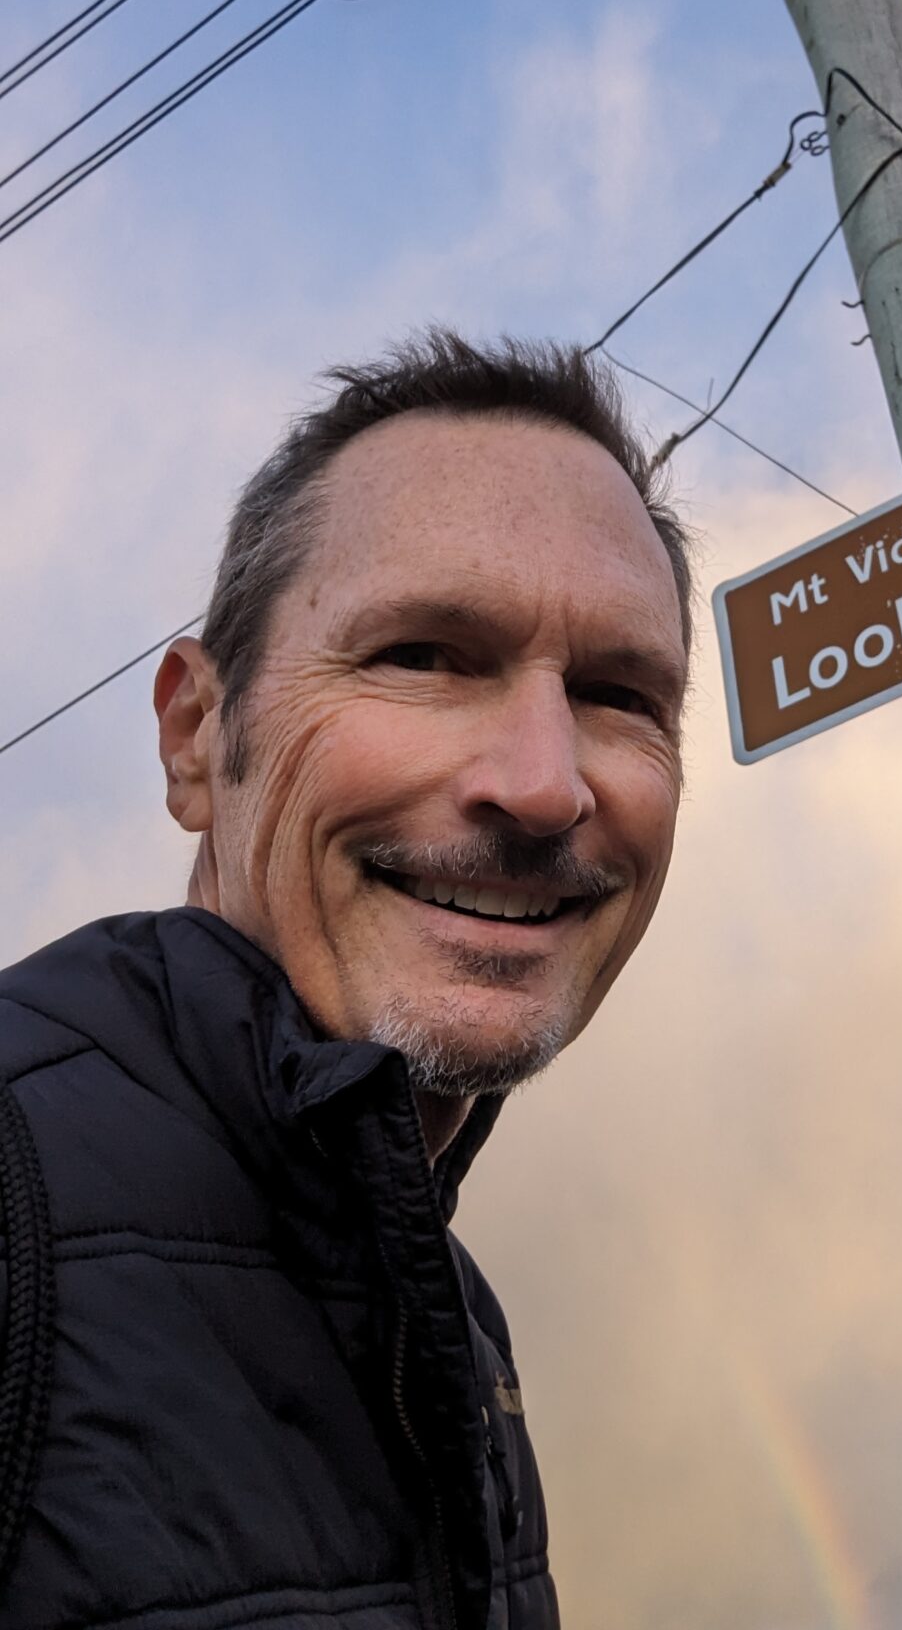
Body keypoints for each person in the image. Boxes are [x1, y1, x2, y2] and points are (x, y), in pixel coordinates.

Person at [0, 331, 693, 1628]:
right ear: (199, 734)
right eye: (424, 658)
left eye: (618, 695)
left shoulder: (452, 1318)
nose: (546, 785)